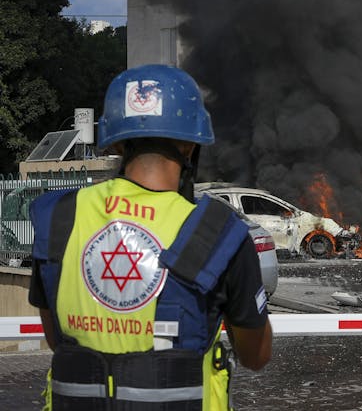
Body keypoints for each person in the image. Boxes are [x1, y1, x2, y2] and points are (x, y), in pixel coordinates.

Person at [28, 64, 272, 410]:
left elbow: (58, 340)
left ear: (115, 144)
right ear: (190, 145)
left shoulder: (59, 218)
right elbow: (256, 355)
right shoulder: (218, 233)